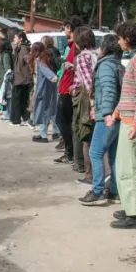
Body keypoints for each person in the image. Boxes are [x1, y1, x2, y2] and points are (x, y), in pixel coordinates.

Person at [110, 21, 136, 230]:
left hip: (133, 124)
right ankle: (129, 207)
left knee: (131, 170)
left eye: (119, 37)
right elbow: (128, 94)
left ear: (127, 39)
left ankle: (134, 214)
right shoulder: (135, 59)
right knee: (123, 169)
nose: (118, 41)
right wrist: (116, 113)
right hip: (127, 121)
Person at [80, 34, 122, 206]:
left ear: (105, 48)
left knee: (95, 152)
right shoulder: (117, 64)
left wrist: (104, 113)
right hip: (116, 115)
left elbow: (108, 90)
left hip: (108, 116)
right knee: (112, 156)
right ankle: (114, 191)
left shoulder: (105, 66)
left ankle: (97, 190)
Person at [71, 27, 98, 184]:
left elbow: (88, 83)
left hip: (86, 99)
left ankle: (89, 174)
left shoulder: (82, 57)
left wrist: (91, 102)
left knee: (85, 135)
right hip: (97, 98)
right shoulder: (98, 54)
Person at [54, 19, 79, 166]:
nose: (64, 31)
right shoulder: (70, 46)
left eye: (65, 28)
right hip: (64, 87)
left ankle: (70, 152)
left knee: (64, 122)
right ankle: (69, 152)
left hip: (68, 89)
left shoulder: (75, 47)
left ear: (69, 28)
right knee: (62, 121)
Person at [30, 42, 57, 142]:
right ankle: (55, 132)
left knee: (42, 112)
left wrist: (52, 77)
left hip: (42, 91)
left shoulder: (40, 62)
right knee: (50, 112)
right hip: (49, 90)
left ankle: (43, 135)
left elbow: (50, 75)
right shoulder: (47, 59)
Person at [10, 31, 33, 126]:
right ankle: (24, 118)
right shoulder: (19, 48)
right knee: (22, 99)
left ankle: (16, 119)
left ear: (21, 39)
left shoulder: (23, 49)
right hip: (20, 77)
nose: (14, 40)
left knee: (17, 99)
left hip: (22, 78)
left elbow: (29, 61)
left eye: (15, 38)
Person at [0, 38, 14, 121]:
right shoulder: (3, 54)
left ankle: (7, 114)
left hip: (5, 80)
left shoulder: (6, 55)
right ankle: (6, 114)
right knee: (4, 97)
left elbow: (8, 69)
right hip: (3, 79)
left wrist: (6, 80)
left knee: (6, 98)